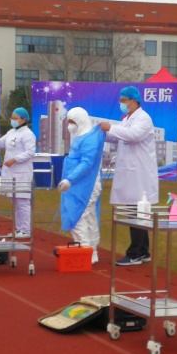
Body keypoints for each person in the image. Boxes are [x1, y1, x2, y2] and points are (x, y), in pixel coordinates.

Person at [99, 86, 158, 266]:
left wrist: (111, 128)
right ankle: (143, 251)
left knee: (137, 211)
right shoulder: (128, 119)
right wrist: (104, 132)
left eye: (124, 100)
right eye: (121, 100)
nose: (121, 103)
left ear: (134, 100)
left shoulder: (144, 119)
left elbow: (132, 135)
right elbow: (119, 136)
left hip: (139, 173)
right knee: (136, 210)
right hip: (131, 172)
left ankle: (135, 253)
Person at [57, 107, 106, 264]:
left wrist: (69, 179)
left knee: (77, 217)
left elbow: (87, 163)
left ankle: (85, 251)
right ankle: (92, 252)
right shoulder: (81, 136)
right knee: (89, 216)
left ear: (80, 121)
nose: (69, 125)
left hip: (87, 184)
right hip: (80, 184)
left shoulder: (90, 139)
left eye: (72, 122)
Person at [0, 108, 36, 238]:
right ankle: (19, 228)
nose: (12, 120)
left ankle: (26, 230)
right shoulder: (11, 132)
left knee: (22, 201)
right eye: (12, 118)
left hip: (21, 172)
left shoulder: (28, 134)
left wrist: (15, 159)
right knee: (14, 200)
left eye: (15, 118)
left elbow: (30, 152)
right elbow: (0, 143)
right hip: (10, 172)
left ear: (23, 119)